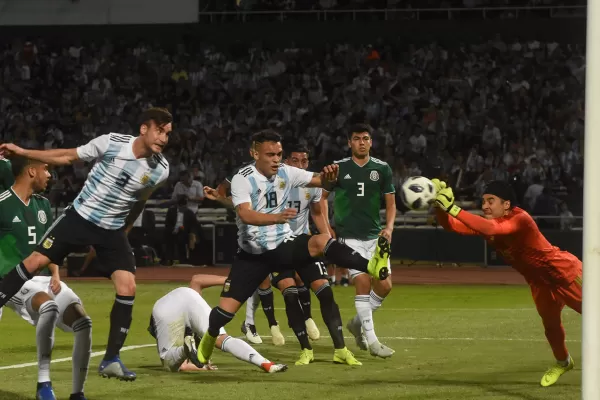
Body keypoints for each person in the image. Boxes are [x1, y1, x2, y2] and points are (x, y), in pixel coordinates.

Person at [0, 107, 172, 381]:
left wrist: (124, 232)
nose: (163, 138)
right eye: (159, 131)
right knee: (35, 262)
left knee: (128, 287)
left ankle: (112, 360)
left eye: (167, 134)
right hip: (80, 217)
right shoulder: (112, 143)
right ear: (144, 129)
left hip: (112, 230)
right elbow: (67, 156)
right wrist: (24, 152)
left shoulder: (161, 170)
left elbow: (139, 201)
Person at [195, 129, 390, 366]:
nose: (276, 159)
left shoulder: (287, 172)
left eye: (279, 154)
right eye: (270, 155)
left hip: (283, 244)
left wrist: (329, 177)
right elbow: (245, 214)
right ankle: (210, 334)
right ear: (254, 153)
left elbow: (320, 181)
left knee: (320, 241)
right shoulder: (242, 178)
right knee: (224, 312)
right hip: (253, 255)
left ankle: (371, 264)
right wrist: (275, 218)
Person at [433, 179, 581, 387]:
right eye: (483, 201)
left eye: (491, 201)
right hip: (539, 283)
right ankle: (563, 362)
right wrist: (439, 208)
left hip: (564, 273)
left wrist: (452, 207)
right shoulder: (489, 224)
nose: (485, 206)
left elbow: (491, 229)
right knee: (551, 326)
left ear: (506, 205)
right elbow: (451, 226)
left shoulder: (521, 218)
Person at [0, 156, 92, 400]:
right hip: (14, 280)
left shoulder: (42, 205)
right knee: (48, 307)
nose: (50, 175)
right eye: (46, 169)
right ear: (31, 171)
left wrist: (55, 273)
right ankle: (44, 384)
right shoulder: (3, 203)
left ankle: (77, 393)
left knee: (84, 322)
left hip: (43, 278)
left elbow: (51, 247)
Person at [321, 123, 396, 358]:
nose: (361, 142)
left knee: (385, 286)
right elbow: (322, 198)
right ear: (349, 143)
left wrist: (390, 228)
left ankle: (356, 323)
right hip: (348, 238)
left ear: (371, 142)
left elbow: (391, 203)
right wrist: (327, 227)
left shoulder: (382, 169)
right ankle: (372, 341)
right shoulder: (339, 168)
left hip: (375, 238)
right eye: (356, 138)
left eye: (365, 138)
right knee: (363, 282)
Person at [148, 273, 287, 374]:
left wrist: (202, 365)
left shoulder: (170, 329)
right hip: (186, 294)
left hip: (163, 308)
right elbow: (196, 280)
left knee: (171, 362)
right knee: (222, 339)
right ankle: (266, 363)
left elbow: (182, 366)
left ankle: (187, 349)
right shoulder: (185, 320)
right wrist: (230, 280)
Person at [214, 150, 285, 346]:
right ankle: (261, 324)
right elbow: (222, 190)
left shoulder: (282, 174)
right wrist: (229, 203)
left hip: (277, 234)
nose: (274, 159)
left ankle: (252, 323)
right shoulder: (242, 175)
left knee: (269, 280)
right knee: (259, 281)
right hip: (252, 237)